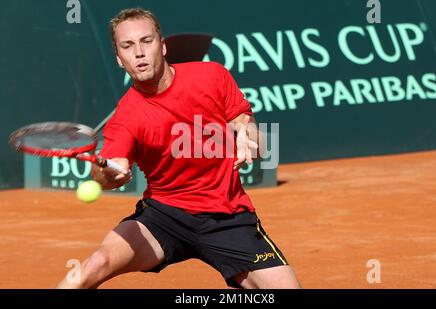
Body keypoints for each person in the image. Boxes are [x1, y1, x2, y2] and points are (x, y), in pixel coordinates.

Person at [57, 7, 300, 289]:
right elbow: (108, 173)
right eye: (128, 46)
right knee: (93, 266)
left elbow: (248, 126)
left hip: (228, 216)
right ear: (120, 60)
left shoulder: (212, 76)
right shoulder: (125, 118)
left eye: (146, 41)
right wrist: (107, 175)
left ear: (162, 46)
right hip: (164, 217)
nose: (139, 52)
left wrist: (248, 136)